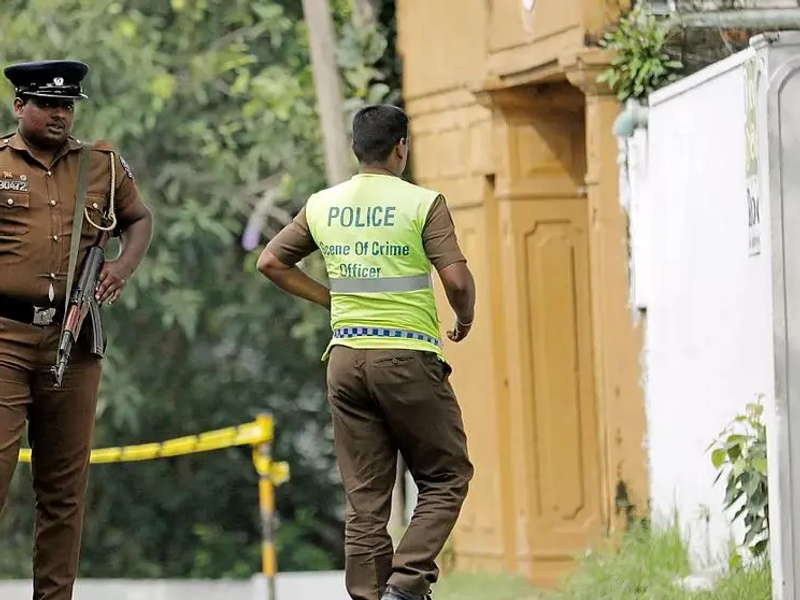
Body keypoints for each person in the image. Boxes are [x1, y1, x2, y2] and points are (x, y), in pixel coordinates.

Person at [257, 104, 475, 600]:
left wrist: (330, 299)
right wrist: (464, 318)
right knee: (446, 475)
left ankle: (370, 596)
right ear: (401, 147)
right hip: (406, 358)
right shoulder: (422, 203)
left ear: (356, 148)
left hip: (346, 361)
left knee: (365, 500)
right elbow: (458, 282)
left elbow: (271, 261)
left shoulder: (323, 205)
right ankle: (407, 582)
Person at [0, 60, 153, 600]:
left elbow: (139, 219)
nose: (59, 114)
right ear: (19, 106)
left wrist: (121, 268)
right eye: (47, 104)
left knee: (64, 491)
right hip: (4, 340)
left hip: (74, 340)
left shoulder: (102, 165)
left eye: (67, 106)